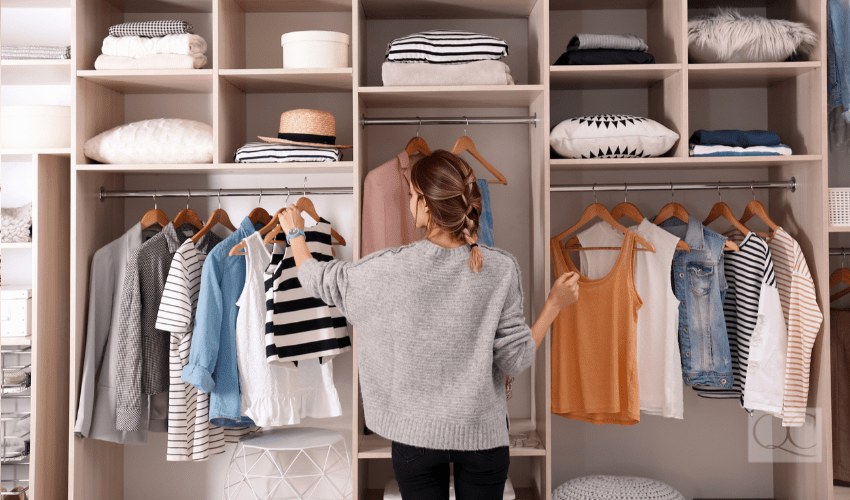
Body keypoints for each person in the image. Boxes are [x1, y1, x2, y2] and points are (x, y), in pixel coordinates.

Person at [280, 150, 579, 500]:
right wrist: (554, 305)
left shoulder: (389, 267)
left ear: (424, 203)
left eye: (410, 196)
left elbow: (318, 279)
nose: (408, 203)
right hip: (482, 436)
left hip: (414, 438)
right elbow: (514, 360)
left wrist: (296, 235)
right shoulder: (501, 268)